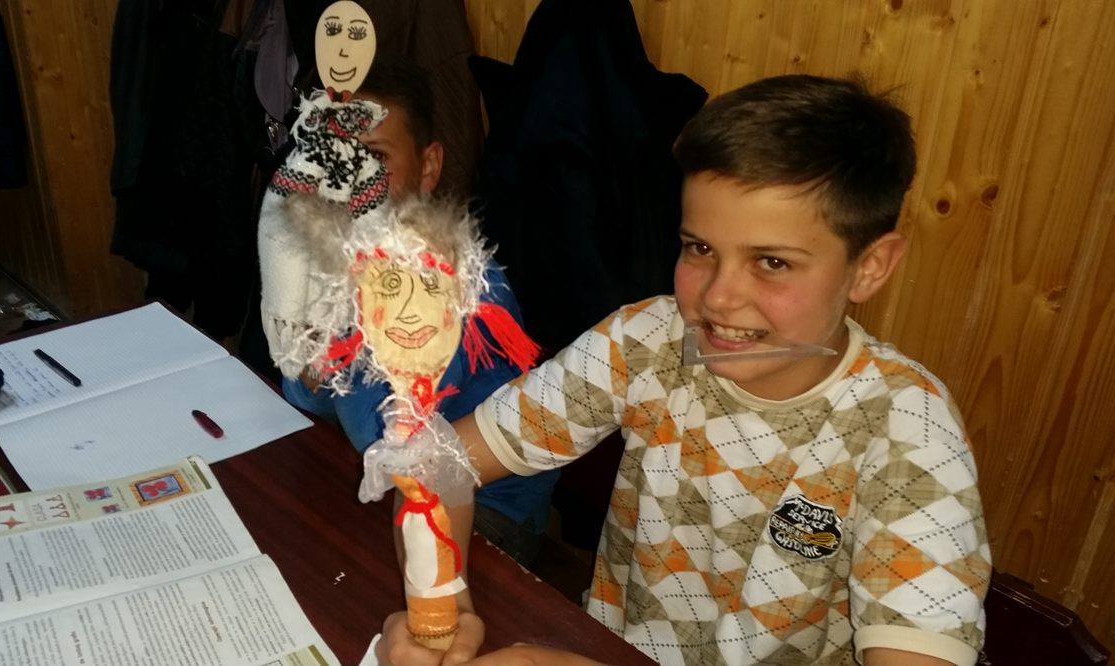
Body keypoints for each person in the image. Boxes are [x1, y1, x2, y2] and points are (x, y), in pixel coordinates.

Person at [377, 75, 990, 665]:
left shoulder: (907, 427)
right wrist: (442, 605)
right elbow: (437, 463)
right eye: (700, 248)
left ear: (870, 267)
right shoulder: (649, 340)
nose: (717, 297)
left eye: (772, 262)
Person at [280, 57, 559, 566]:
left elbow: (382, 435)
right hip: (399, 479)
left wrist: (331, 337)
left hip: (489, 516)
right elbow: (306, 390)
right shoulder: (348, 259)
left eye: (373, 155)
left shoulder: (452, 284)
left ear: (428, 167)